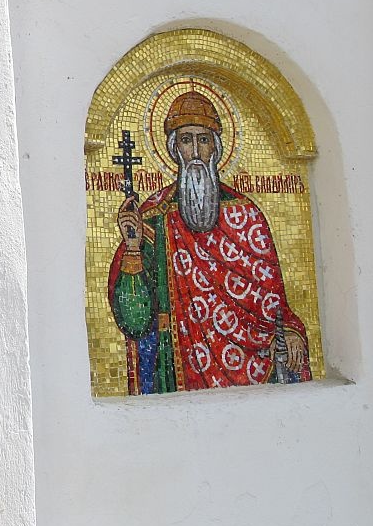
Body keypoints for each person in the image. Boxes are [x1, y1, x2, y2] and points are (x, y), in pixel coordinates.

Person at [107, 91, 311, 394]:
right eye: (186, 140)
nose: (195, 151)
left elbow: (275, 304)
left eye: (203, 139)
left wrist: (292, 332)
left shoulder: (247, 214)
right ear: (174, 149)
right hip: (174, 366)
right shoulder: (151, 218)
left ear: (216, 146)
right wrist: (134, 247)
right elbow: (134, 322)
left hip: (253, 370)